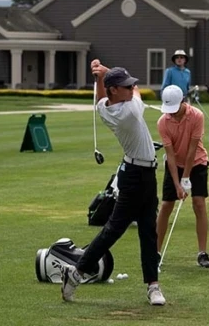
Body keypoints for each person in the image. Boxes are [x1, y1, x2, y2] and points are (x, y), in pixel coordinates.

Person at [60, 59, 166, 306]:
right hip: (134, 177)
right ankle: (75, 274)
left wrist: (100, 77)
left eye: (131, 86)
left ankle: (153, 285)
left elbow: (100, 100)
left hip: (144, 175)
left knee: (148, 231)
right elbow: (137, 95)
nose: (132, 89)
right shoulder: (128, 111)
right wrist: (105, 72)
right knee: (113, 230)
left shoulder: (106, 107)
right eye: (126, 86)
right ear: (115, 91)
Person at [156, 85, 209, 269]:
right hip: (175, 165)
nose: (171, 114)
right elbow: (170, 156)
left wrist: (186, 178)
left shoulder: (197, 116)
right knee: (166, 205)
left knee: (199, 203)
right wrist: (177, 183)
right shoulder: (163, 122)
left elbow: (191, 150)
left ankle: (202, 253)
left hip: (197, 162)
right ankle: (155, 253)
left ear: (183, 102)